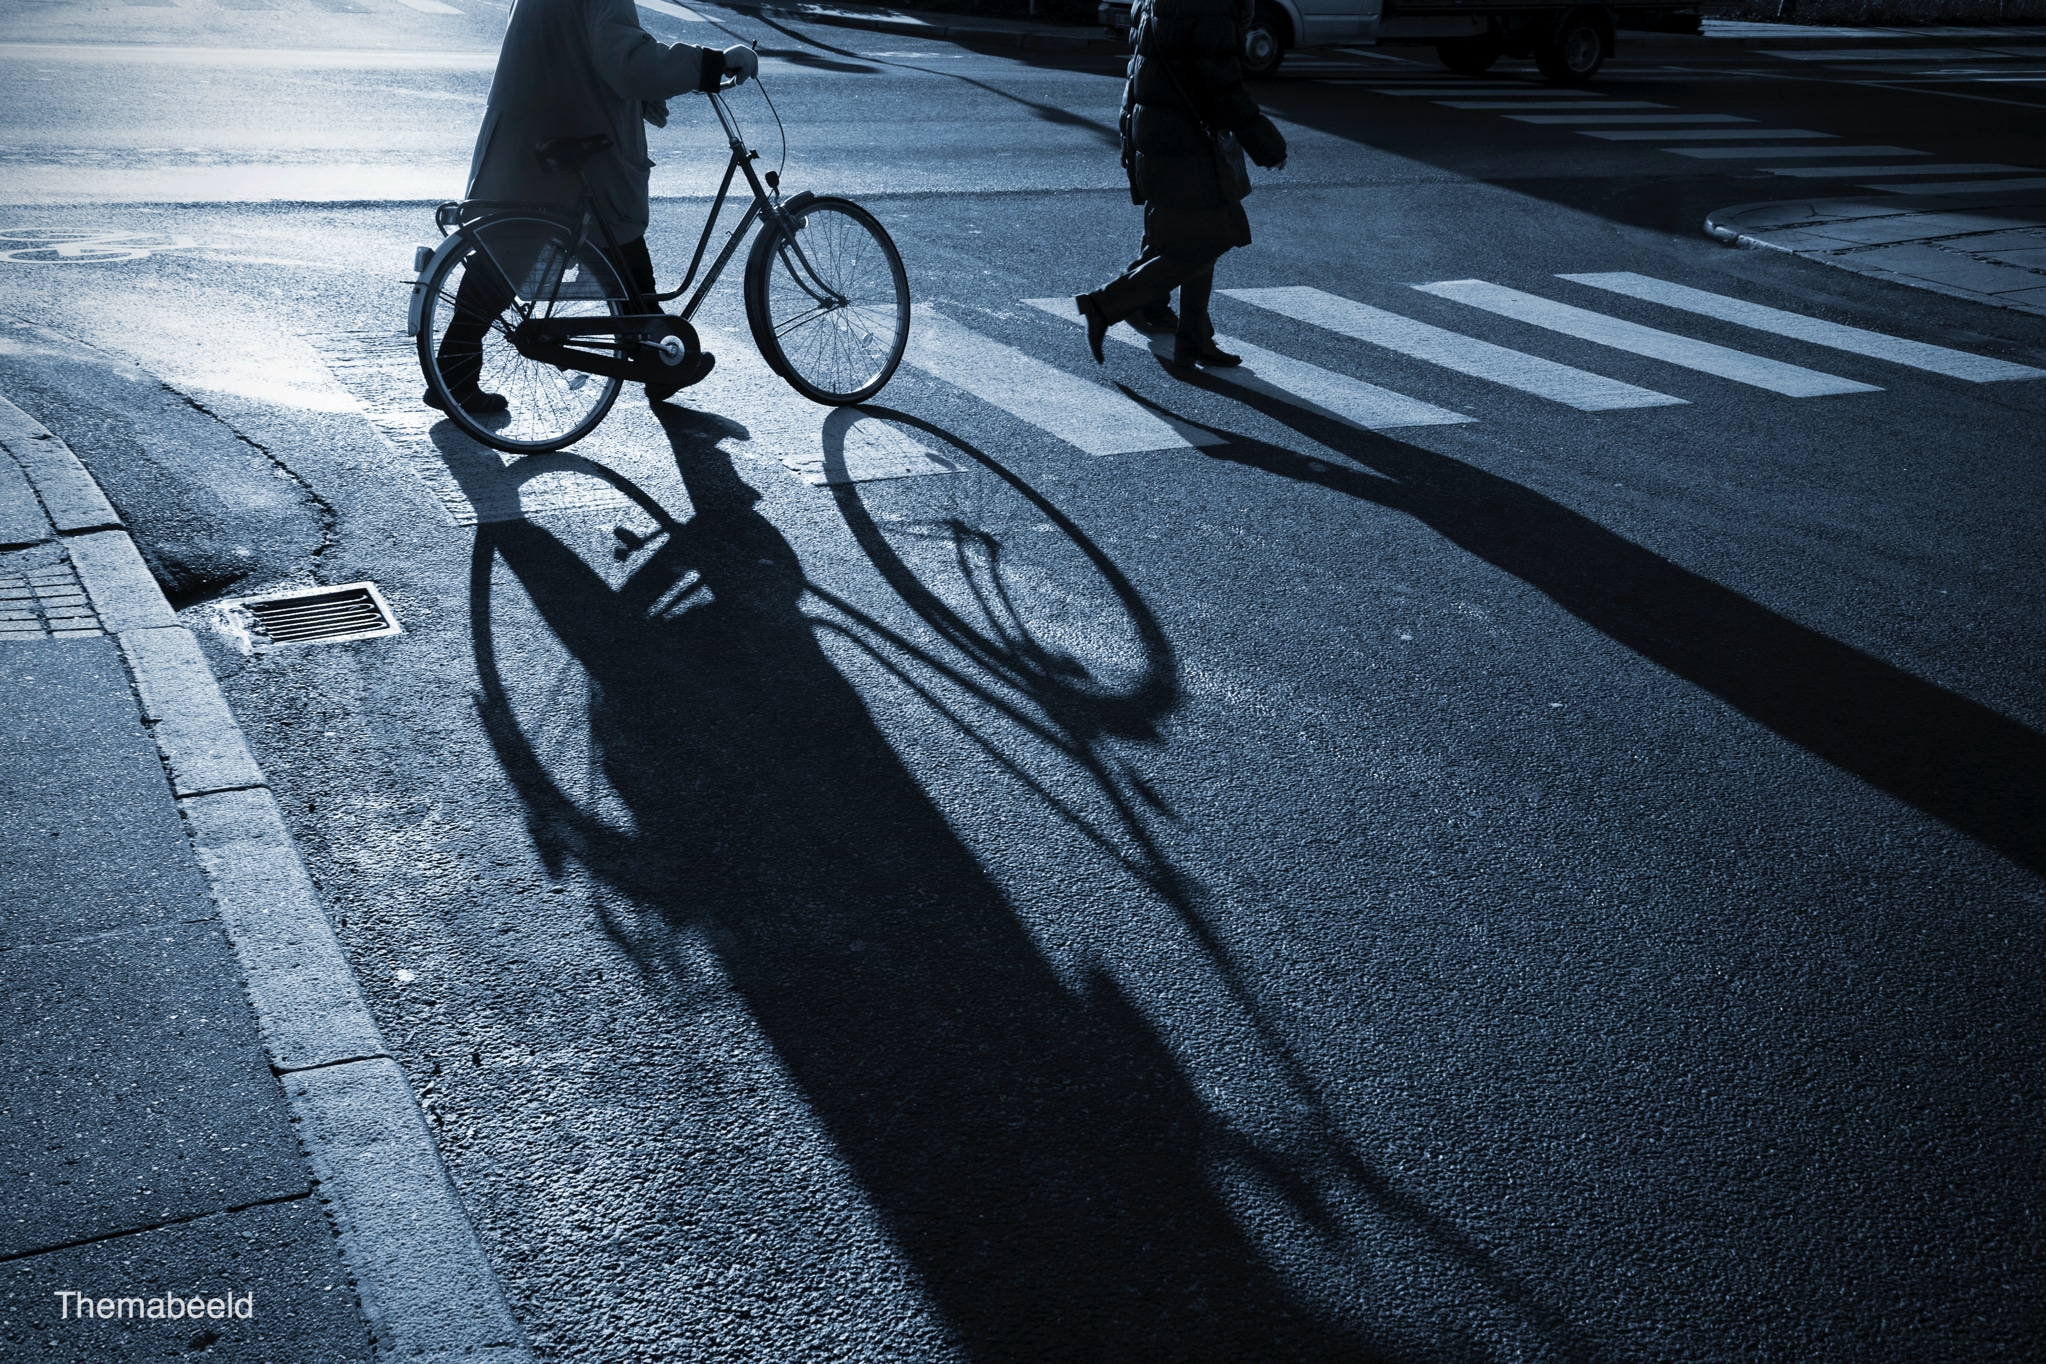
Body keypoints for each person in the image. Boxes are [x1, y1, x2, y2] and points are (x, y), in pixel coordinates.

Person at [429, 0, 759, 414]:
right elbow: (630, 62)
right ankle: (656, 359)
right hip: (574, 134)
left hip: (531, 132)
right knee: (614, 240)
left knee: (509, 251)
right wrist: (713, 63)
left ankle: (454, 373)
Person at [1076, 0, 1286, 369]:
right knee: (1204, 242)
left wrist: (1131, 138)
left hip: (1159, 134)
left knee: (1197, 235)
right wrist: (1266, 143)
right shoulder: (1209, 7)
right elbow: (1220, 80)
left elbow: (1139, 70)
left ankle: (1194, 339)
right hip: (1188, 143)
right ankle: (1106, 304)